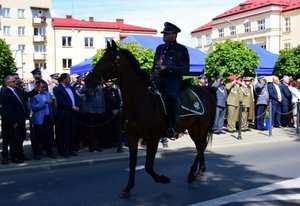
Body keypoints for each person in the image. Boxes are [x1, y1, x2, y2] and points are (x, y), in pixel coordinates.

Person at [152, 22, 190, 139]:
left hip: (173, 79)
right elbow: (154, 66)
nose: (164, 35)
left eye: (166, 33)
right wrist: (151, 76)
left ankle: (174, 126)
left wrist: (168, 68)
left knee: (170, 95)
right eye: (163, 33)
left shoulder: (181, 49)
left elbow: (185, 70)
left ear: (174, 34)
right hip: (158, 79)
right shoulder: (159, 48)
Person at [1, 75, 35, 164]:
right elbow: (8, 109)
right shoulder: (5, 92)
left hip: (21, 118)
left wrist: (36, 90)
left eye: (15, 81)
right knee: (14, 140)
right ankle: (14, 157)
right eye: (13, 81)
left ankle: (20, 155)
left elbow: (27, 95)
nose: (15, 82)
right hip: (14, 120)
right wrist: (13, 121)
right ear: (8, 83)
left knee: (20, 138)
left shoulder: (17, 90)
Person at [53, 73, 81, 157]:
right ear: (64, 79)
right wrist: (71, 106)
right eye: (68, 78)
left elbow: (77, 98)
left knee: (72, 132)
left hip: (72, 114)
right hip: (64, 114)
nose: (70, 79)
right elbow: (61, 101)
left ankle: (71, 149)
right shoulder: (57, 89)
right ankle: (63, 151)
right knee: (63, 133)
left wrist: (78, 106)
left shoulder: (71, 88)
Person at [30, 80, 55, 159]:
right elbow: (34, 107)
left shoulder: (47, 93)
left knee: (49, 136)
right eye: (42, 87)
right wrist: (44, 102)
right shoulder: (33, 95)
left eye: (45, 87)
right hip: (39, 118)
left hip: (48, 117)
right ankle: (36, 153)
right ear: (37, 87)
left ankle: (49, 152)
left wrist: (52, 102)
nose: (44, 88)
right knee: (37, 137)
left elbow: (52, 102)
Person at [79, 82, 105, 152]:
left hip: (99, 110)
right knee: (91, 130)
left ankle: (97, 145)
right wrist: (87, 84)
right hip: (91, 111)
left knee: (98, 130)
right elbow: (81, 91)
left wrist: (103, 109)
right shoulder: (88, 85)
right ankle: (91, 146)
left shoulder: (100, 86)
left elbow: (102, 98)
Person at [102, 80, 122, 148]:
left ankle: (114, 142)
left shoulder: (115, 90)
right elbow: (103, 102)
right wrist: (111, 110)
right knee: (107, 129)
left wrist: (117, 109)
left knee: (115, 128)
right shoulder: (103, 91)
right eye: (107, 81)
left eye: (110, 81)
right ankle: (107, 143)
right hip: (106, 112)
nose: (109, 83)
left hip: (115, 113)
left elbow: (118, 100)